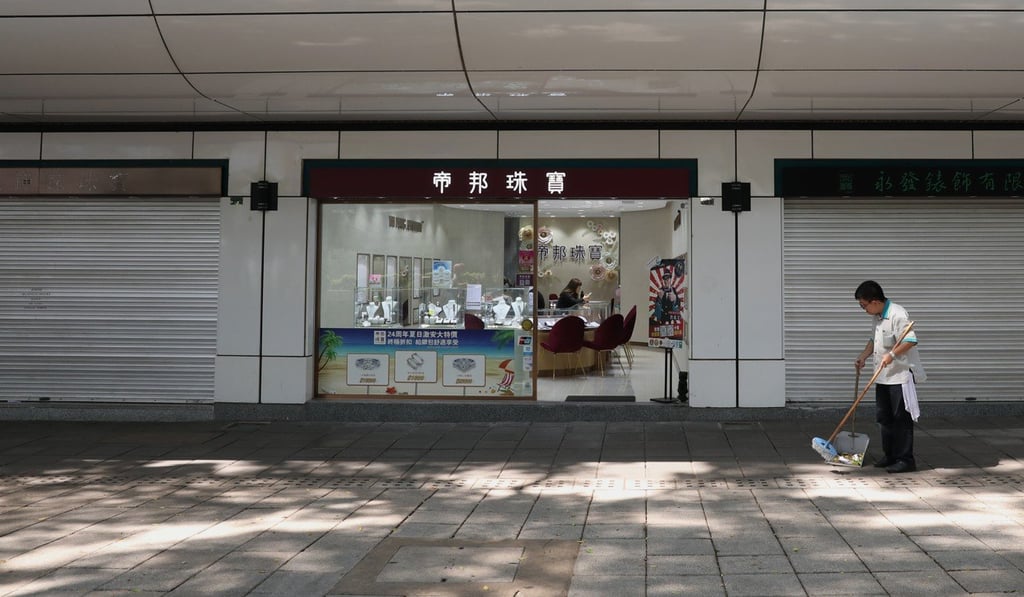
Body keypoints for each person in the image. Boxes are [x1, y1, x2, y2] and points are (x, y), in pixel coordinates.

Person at [853, 280, 922, 474]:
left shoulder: (898, 314)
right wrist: (863, 356)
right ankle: (890, 455)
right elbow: (874, 340)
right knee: (884, 418)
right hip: (882, 375)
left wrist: (891, 355)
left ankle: (906, 459)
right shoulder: (877, 316)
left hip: (899, 376)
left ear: (875, 301)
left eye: (863, 305)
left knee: (901, 418)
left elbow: (910, 340)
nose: (863, 309)